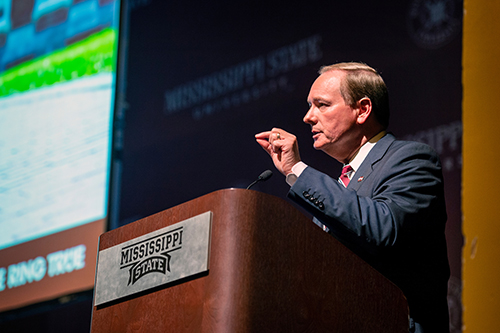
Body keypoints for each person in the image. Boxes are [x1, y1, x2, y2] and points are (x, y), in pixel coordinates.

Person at [255, 62, 450, 332]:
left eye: (321, 105)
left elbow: (383, 228)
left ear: (363, 110)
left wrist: (296, 170)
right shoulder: (342, 184)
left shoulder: (411, 159)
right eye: (310, 106)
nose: (308, 117)